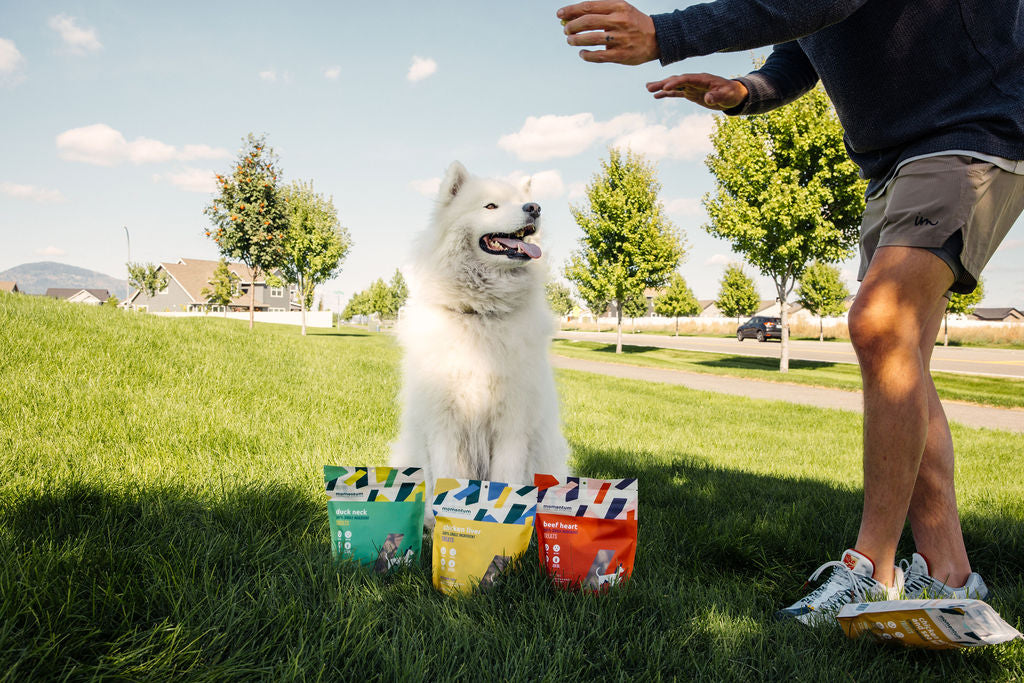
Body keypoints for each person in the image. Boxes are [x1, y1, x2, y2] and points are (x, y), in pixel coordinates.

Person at [557, 0, 1024, 623]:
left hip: (972, 125)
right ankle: (951, 575)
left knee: (880, 323)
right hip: (897, 158)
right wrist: (745, 91)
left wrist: (669, 34)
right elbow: (806, 43)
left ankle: (871, 571)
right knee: (902, 355)